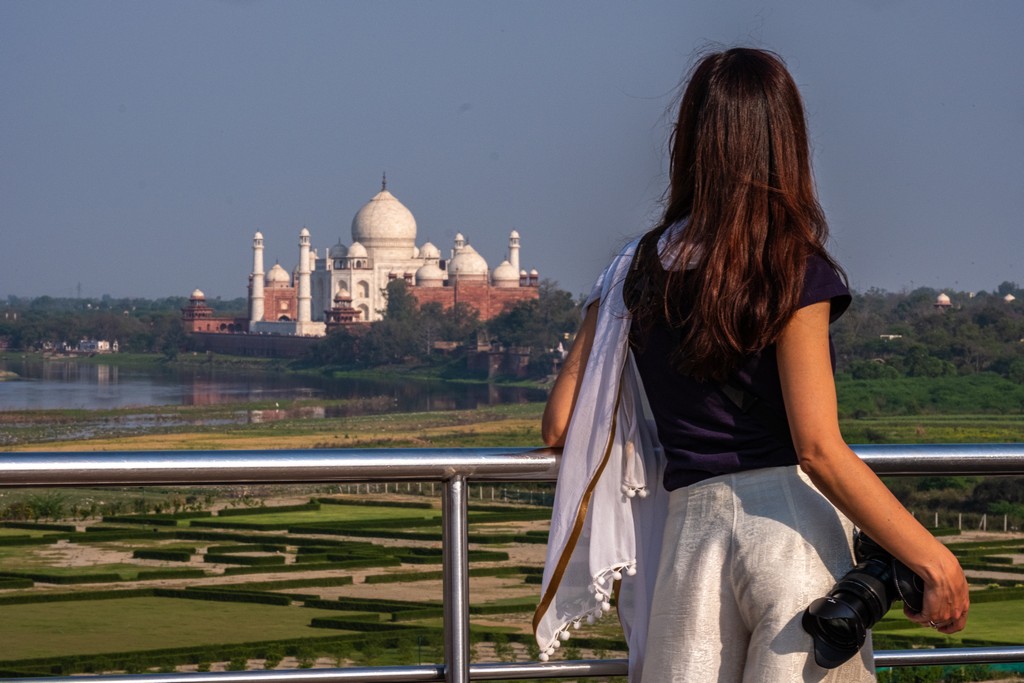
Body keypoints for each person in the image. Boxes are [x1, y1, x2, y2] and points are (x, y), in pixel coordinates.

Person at [538, 48, 968, 681]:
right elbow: (818, 449)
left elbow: (559, 426)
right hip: (789, 536)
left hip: (691, 543)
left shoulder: (634, 271)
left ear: (688, 142)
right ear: (784, 143)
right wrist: (932, 560)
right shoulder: (791, 267)